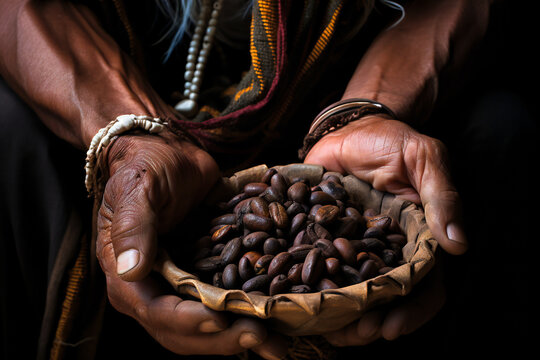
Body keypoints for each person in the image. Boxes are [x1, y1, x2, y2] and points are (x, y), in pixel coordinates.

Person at [0, 0, 495, 359]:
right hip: (113, 54)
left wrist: (367, 111)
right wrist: (128, 138)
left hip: (360, 54)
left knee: (501, 127)